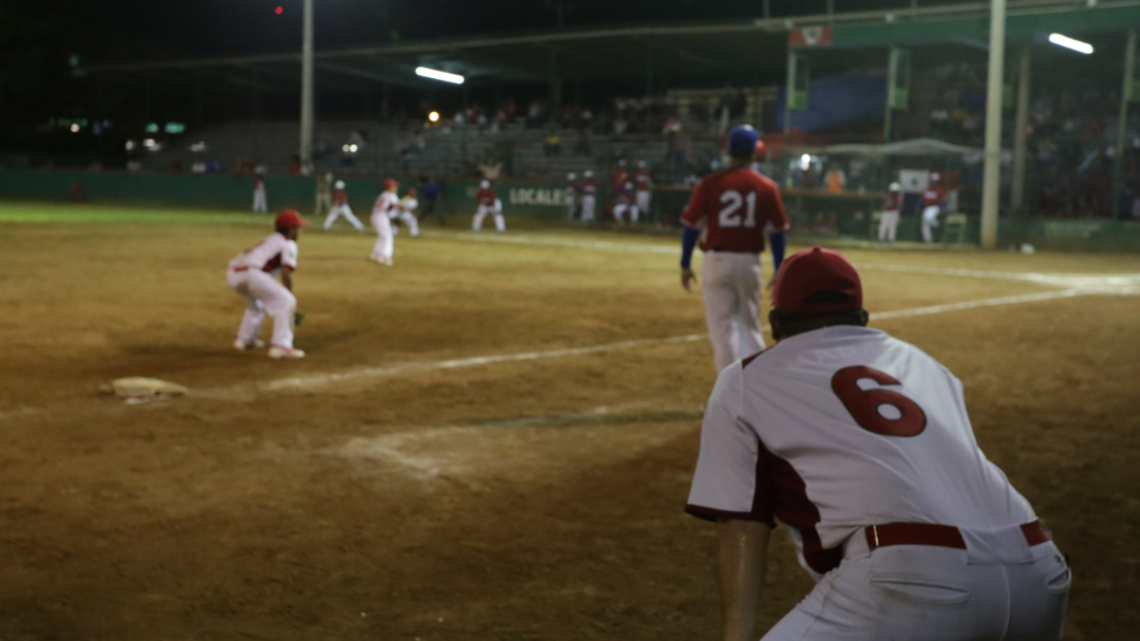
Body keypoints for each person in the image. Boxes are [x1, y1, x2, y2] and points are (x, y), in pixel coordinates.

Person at [685, 247, 1070, 641]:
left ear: (776, 324)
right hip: (1039, 567)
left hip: (913, 578)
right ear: (863, 319)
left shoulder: (747, 379)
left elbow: (740, 522)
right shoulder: (925, 365)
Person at [680, 124, 789, 373]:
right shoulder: (766, 185)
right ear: (753, 153)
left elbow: (690, 226)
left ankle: (728, 395)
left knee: (722, 329)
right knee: (750, 328)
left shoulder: (710, 183)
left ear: (729, 151)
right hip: (749, 263)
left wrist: (685, 263)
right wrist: (780, 268)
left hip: (716, 261)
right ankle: (757, 391)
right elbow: (778, 231)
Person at [226, 210, 309, 359]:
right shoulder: (288, 243)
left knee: (259, 300)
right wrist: (289, 297)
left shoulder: (272, 239)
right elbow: (285, 273)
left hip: (233, 274)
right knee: (286, 301)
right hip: (252, 274)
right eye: (297, 228)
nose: (299, 232)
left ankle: (244, 340)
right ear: (290, 229)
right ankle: (282, 346)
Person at [371, 179, 399, 265]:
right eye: (393, 186)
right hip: (381, 217)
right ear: (389, 188)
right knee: (388, 237)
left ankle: (376, 253)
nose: (396, 188)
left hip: (375, 216)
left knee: (382, 236)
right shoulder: (392, 195)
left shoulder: (383, 195)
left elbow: (391, 207)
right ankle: (384, 256)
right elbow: (396, 206)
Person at [921, 172, 946, 243]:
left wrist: (942, 209)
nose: (933, 182)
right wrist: (918, 206)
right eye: (932, 180)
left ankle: (935, 224)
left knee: (928, 217)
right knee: (925, 224)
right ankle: (928, 240)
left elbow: (942, 201)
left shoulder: (939, 190)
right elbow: (921, 199)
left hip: (935, 207)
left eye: (935, 181)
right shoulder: (926, 189)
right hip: (927, 208)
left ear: (937, 182)